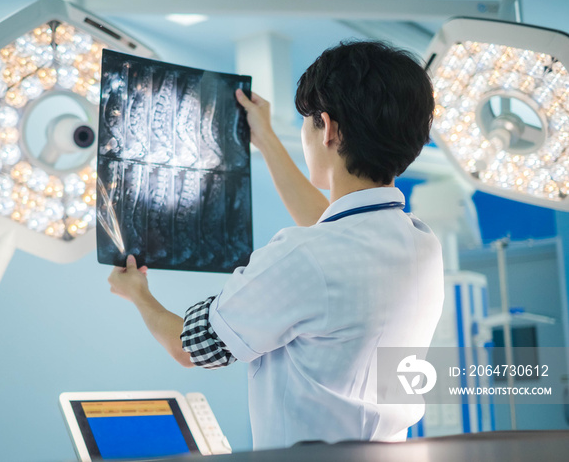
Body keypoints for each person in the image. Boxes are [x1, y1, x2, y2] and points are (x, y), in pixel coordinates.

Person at [108, 40, 444, 450]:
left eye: (308, 123)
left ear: (329, 128)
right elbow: (332, 234)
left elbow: (189, 348)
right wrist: (265, 139)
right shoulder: (420, 245)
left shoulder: (305, 256)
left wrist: (138, 295)